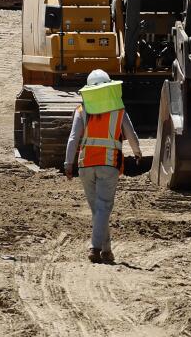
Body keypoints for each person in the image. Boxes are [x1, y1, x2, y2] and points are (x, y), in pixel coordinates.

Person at [64, 69, 142, 264]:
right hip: (109, 164)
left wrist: (68, 163)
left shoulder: (81, 110)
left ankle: (106, 252)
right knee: (103, 207)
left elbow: (73, 138)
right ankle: (95, 247)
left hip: (85, 165)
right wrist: (137, 152)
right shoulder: (119, 109)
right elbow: (131, 134)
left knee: (98, 210)